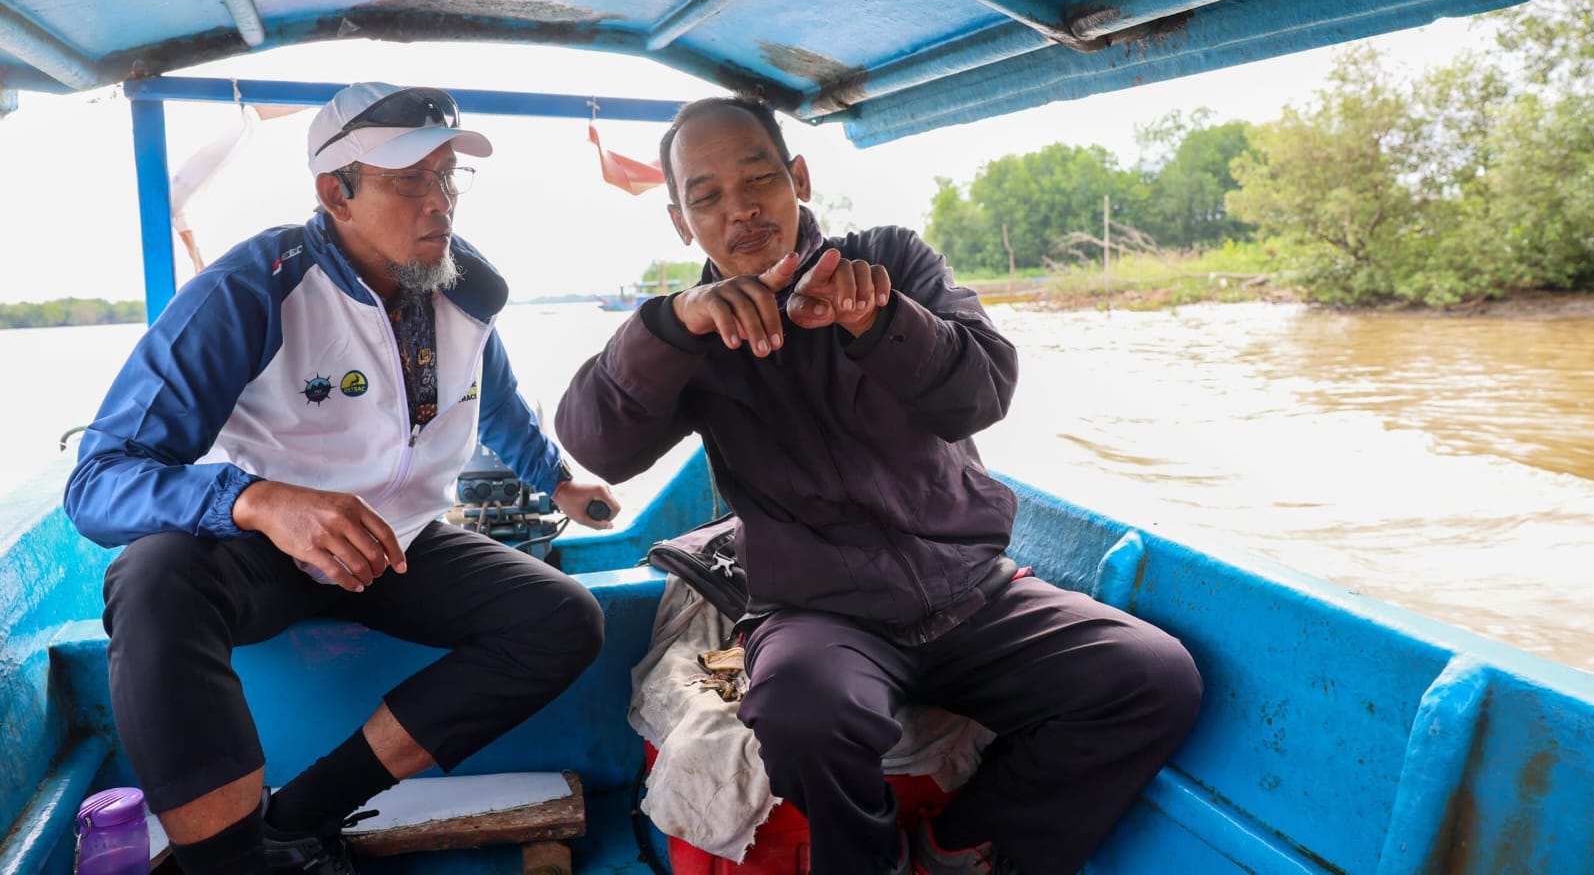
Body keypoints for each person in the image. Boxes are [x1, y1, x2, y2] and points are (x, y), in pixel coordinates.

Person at [556, 97, 1203, 875]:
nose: (742, 209)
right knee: (799, 710)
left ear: (797, 177)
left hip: (971, 591)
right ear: (679, 221)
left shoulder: (891, 262)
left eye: (759, 178)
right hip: (819, 613)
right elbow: (597, 442)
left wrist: (881, 320)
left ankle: (958, 850)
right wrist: (668, 327)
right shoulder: (686, 332)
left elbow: (985, 392)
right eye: (708, 197)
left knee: (1154, 678)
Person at [65, 82, 620, 875]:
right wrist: (258, 502)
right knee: (151, 576)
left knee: (565, 617)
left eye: (446, 177)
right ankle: (231, 863)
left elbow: (495, 401)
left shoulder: (462, 293)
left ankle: (304, 814)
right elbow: (100, 480)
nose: (439, 203)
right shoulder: (252, 289)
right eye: (407, 180)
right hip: (264, 550)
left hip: (401, 542)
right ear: (336, 192)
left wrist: (559, 482)